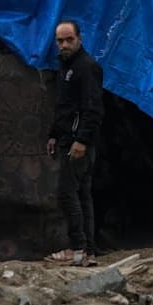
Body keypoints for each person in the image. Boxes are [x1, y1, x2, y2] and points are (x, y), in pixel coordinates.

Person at [46, 20, 104, 267]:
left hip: (78, 144)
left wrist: (81, 140)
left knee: (68, 194)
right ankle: (87, 251)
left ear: (80, 38)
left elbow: (92, 109)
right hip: (68, 139)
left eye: (69, 39)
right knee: (82, 195)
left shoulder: (86, 67)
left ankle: (78, 248)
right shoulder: (65, 67)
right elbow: (64, 107)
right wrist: (53, 134)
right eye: (60, 41)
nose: (65, 45)